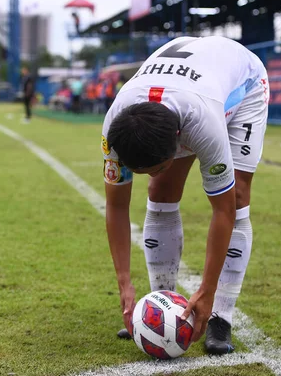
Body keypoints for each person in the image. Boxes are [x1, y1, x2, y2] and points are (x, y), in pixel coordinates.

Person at [101, 36, 269, 355]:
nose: (151, 173)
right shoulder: (113, 128)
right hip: (184, 85)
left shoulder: (203, 125)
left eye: (156, 165)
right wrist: (124, 281)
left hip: (242, 85)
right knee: (160, 189)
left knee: (237, 197)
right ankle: (161, 309)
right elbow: (116, 206)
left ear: (179, 142)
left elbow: (223, 212)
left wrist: (206, 290)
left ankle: (221, 316)